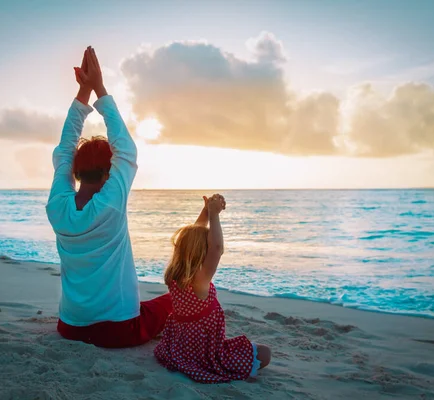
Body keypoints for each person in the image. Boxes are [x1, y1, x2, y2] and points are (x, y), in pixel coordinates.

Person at [46, 46, 172, 348]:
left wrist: (84, 92)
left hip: (71, 327)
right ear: (108, 173)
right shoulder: (111, 205)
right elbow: (126, 150)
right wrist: (98, 87)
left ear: (75, 172)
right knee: (181, 298)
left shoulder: (57, 207)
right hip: (119, 329)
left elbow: (65, 150)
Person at [154, 194, 271, 383]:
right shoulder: (200, 280)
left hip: (182, 344)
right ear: (202, 251)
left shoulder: (176, 275)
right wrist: (215, 215)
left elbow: (193, 237)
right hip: (203, 351)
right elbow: (216, 248)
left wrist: (206, 211)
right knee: (265, 353)